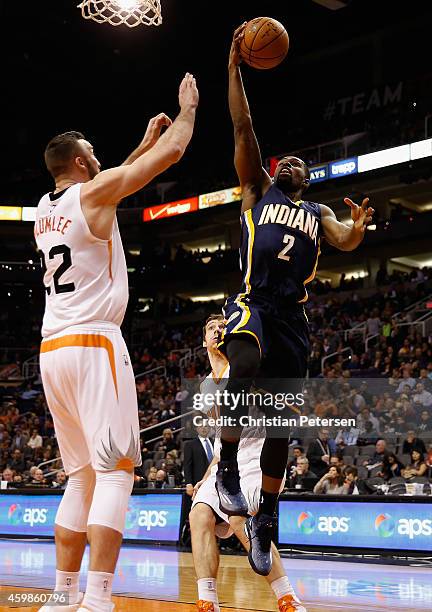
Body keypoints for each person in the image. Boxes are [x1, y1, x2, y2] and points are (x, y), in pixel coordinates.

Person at [215, 24, 374, 576]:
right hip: (254, 302)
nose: (293, 165)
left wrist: (355, 228)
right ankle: (229, 469)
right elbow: (242, 123)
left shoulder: (317, 214)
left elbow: (345, 241)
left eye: (302, 166)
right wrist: (234, 67)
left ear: (307, 180)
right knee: (245, 361)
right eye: (287, 162)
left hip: (293, 317)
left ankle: (267, 515)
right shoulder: (258, 189)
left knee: (282, 418)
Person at [37, 73, 199, 612]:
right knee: (116, 473)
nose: (99, 157)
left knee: (79, 476)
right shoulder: (93, 192)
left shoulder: (44, 208)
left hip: (51, 349)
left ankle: (62, 596)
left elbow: (109, 184)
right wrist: (186, 112)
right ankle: (99, 598)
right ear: (82, 164)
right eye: (94, 152)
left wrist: (141, 144)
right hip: (93, 342)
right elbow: (172, 156)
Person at [190, 315, 305, 612]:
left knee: (241, 519)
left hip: (257, 453)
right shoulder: (205, 386)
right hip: (226, 463)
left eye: (222, 328)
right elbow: (221, 437)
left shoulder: (243, 366)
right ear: (204, 340)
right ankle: (208, 600)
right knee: (199, 515)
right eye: (211, 329)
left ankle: (287, 597)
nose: (217, 332)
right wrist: (207, 474)